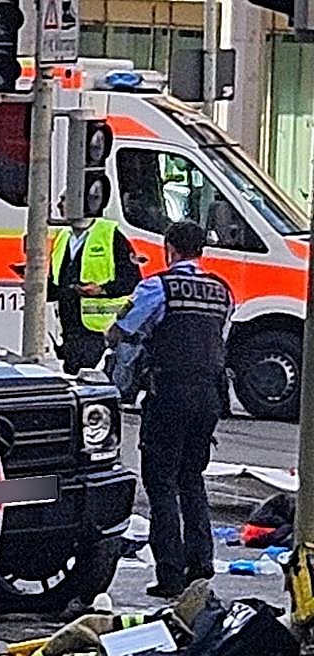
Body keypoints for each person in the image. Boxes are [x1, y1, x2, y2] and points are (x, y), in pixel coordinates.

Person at [107, 220, 233, 599]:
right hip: (210, 395)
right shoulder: (221, 291)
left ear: (170, 249)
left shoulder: (157, 286)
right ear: (201, 251)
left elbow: (125, 328)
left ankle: (170, 573)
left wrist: (114, 339)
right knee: (192, 477)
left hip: (170, 392)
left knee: (161, 481)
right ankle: (201, 561)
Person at [47, 217, 142, 374]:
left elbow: (131, 280)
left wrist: (102, 289)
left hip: (100, 331)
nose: (60, 204)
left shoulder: (111, 234)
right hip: (69, 329)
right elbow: (58, 283)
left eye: (65, 199)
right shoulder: (62, 237)